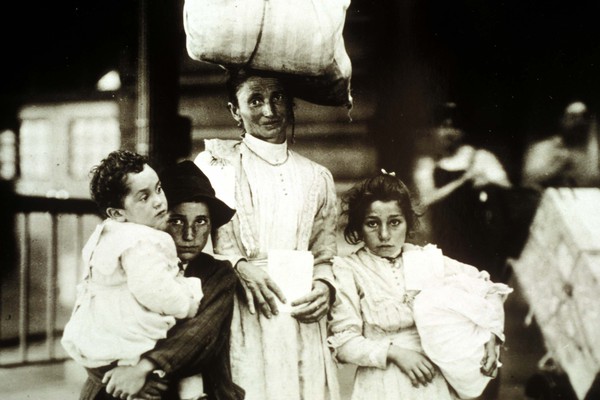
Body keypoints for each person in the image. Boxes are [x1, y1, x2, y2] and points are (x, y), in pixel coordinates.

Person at [194, 68, 340, 400]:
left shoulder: (316, 176)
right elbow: (196, 239)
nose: (269, 111)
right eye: (255, 100)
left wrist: (324, 286)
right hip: (239, 309)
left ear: (291, 104)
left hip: (299, 315)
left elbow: (324, 253)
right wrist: (239, 266)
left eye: (278, 97)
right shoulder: (216, 165)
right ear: (235, 111)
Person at [327, 172, 512, 400]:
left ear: (408, 222)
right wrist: (397, 354)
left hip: (434, 382)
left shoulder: (426, 259)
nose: (384, 234)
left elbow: (489, 289)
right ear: (358, 227)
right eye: (372, 223)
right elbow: (344, 343)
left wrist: (491, 339)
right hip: (382, 384)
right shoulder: (349, 269)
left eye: (394, 222)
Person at [89, 160, 244, 400]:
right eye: (176, 221)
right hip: (117, 385)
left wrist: (141, 370)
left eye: (201, 221)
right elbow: (89, 326)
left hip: (186, 387)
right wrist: (115, 374)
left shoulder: (217, 273)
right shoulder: (121, 261)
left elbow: (198, 335)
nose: (189, 235)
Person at [61, 150, 203, 398]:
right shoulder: (142, 240)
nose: (158, 201)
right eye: (144, 197)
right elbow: (154, 290)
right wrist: (186, 304)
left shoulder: (109, 234)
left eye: (158, 189)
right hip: (128, 336)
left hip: (102, 335)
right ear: (117, 213)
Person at [412, 102, 512, 281]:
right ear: (433, 131)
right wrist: (464, 181)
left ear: (463, 132)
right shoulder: (427, 163)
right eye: (443, 127)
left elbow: (507, 189)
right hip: (443, 239)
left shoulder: (480, 157)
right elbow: (427, 198)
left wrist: (488, 182)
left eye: (455, 127)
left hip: (477, 241)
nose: (449, 133)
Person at [522, 100, 600, 189]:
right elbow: (528, 180)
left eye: (584, 117)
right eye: (573, 117)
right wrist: (557, 165)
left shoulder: (592, 153)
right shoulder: (543, 147)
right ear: (562, 120)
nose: (579, 122)